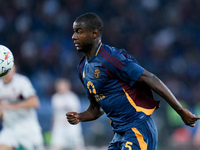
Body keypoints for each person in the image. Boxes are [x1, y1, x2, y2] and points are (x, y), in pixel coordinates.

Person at [66, 12, 200, 150]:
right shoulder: (82, 68)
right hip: (119, 133)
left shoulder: (110, 57)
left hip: (138, 127)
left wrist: (180, 110)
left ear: (94, 33)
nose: (74, 36)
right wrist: (80, 117)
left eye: (78, 32)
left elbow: (150, 78)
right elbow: (96, 109)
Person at [0, 65, 44, 150]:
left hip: (28, 128)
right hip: (10, 128)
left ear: (14, 68)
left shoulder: (22, 81)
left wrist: (11, 107)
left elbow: (35, 102)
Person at [51, 78, 85, 150]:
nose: (60, 88)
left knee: (77, 146)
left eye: (62, 86)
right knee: (57, 145)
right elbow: (55, 113)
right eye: (59, 86)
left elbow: (76, 112)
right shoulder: (55, 98)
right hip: (59, 126)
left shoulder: (72, 98)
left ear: (67, 87)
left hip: (71, 125)